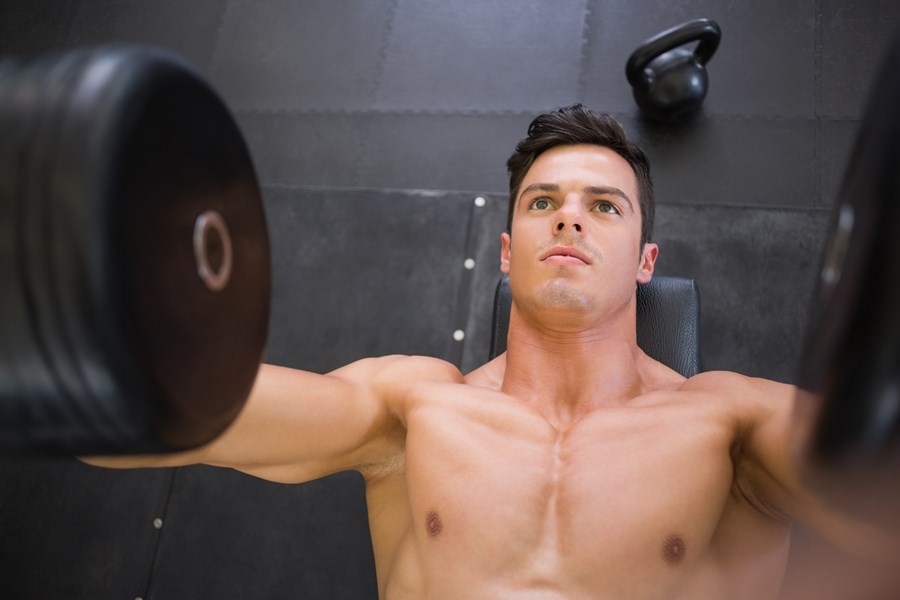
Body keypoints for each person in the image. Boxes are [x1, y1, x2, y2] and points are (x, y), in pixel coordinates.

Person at [84, 104, 895, 600]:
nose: (569, 217)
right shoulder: (412, 409)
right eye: (543, 202)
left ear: (646, 262)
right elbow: (157, 418)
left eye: (604, 206)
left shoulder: (732, 427)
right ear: (507, 253)